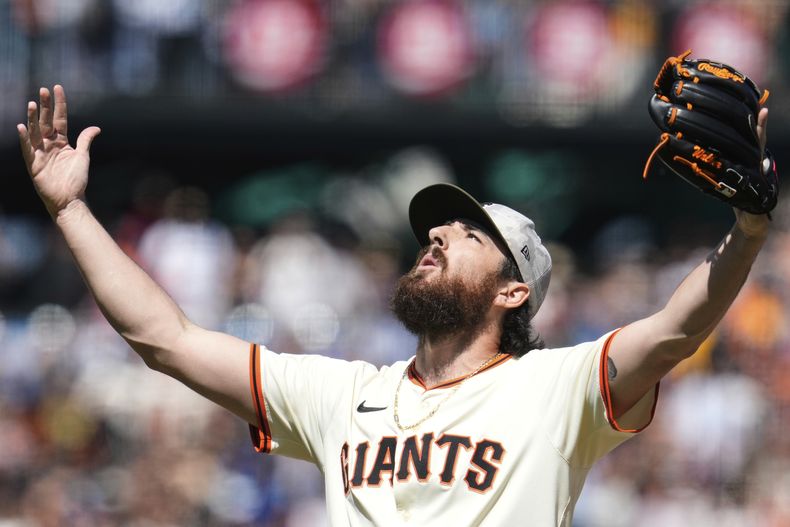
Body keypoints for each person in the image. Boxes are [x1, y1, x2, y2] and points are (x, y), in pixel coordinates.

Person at [17, 85, 772, 526]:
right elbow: (165, 338)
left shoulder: (556, 388)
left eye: (470, 233)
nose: (438, 233)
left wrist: (745, 230)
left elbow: (677, 329)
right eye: (435, 227)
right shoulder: (344, 395)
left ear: (514, 291)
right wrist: (73, 211)